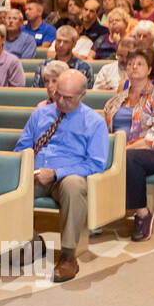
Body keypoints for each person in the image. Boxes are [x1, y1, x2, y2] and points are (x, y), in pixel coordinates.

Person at [13, 69, 111, 282]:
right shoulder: (40, 114)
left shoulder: (94, 122)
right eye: (58, 94)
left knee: (74, 186)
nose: (61, 101)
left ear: (82, 96)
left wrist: (57, 173)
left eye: (68, 98)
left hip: (66, 176)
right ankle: (31, 241)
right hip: (35, 173)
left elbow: (95, 164)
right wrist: (28, 168)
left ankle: (68, 256)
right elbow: (22, 147)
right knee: (10, 186)